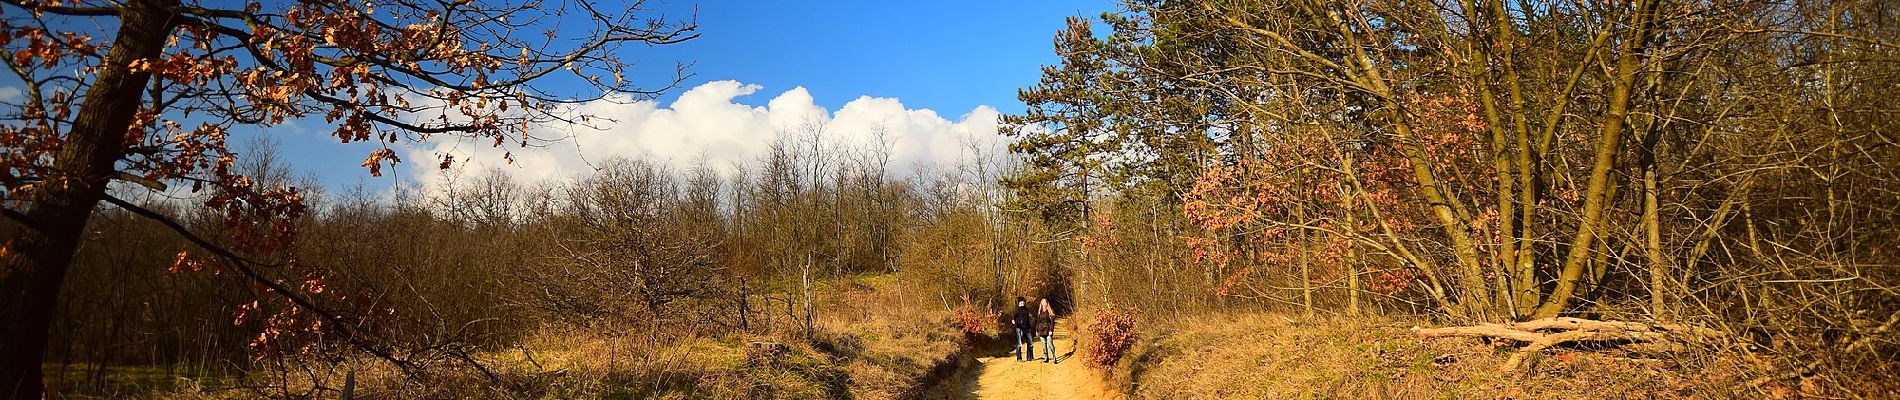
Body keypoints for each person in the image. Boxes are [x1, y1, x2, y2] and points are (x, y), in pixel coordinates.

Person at [1011, 296, 1034, 361]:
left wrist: (1029, 327)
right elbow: (1014, 317)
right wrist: (1014, 322)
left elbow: (1028, 319)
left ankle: (1030, 357)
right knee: (1019, 344)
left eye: (1023, 302)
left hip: (1027, 328)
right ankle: (1019, 358)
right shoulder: (1017, 310)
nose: (1022, 303)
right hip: (1019, 328)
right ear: (1018, 303)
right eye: (1021, 302)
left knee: (1030, 343)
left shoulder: (1026, 309)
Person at [1037, 298, 1057, 363]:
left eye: (1045, 302)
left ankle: (1054, 357)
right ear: (1041, 303)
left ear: (1047, 303)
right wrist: (1037, 330)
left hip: (1048, 330)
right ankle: (1046, 358)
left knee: (1050, 344)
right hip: (1041, 330)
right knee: (1044, 345)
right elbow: (1038, 322)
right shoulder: (1039, 312)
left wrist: (1051, 330)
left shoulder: (1050, 311)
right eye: (1042, 302)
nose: (1044, 304)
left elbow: (1052, 322)